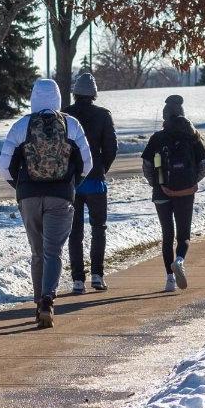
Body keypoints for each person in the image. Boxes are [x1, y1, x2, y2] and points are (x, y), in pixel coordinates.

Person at [0, 78, 92, 328]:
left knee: (37, 253)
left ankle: (38, 301)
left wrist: (20, 187)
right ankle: (47, 300)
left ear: (32, 98)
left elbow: (4, 166)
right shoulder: (71, 125)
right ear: (59, 98)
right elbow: (88, 163)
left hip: (29, 196)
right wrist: (72, 185)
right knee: (53, 252)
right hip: (61, 196)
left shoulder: (21, 126)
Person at [141, 95, 205, 292]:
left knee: (167, 235)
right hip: (185, 193)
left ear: (165, 117)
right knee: (183, 235)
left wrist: (156, 183)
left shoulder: (157, 138)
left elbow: (146, 165)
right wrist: (192, 181)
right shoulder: (193, 137)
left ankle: (169, 279)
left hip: (161, 193)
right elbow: (204, 163)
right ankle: (179, 260)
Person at [64, 73, 117, 294]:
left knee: (74, 232)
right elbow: (112, 148)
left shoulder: (65, 115)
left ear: (75, 93)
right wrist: (101, 168)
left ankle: (77, 279)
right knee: (99, 229)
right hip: (96, 180)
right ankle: (97, 275)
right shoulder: (103, 116)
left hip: (72, 182)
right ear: (94, 94)